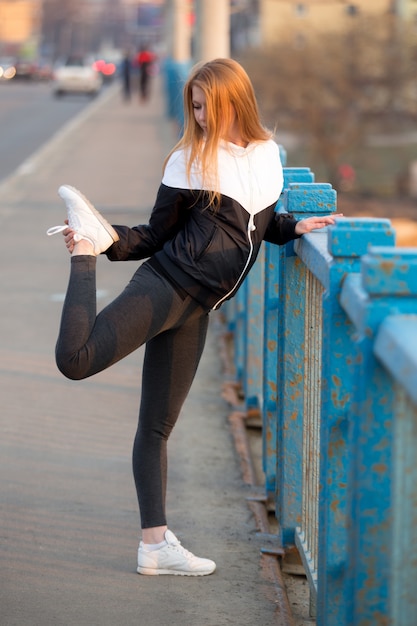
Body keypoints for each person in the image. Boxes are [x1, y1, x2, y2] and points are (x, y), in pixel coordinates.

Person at [47, 58, 341, 577]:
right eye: (195, 107)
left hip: (198, 307)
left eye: (206, 106)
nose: (199, 117)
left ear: (235, 103)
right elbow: (155, 236)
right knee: (76, 358)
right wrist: (101, 242)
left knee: (157, 426)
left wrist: (293, 228)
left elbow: (256, 221)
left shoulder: (266, 156)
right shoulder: (188, 160)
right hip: (165, 286)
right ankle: (83, 250)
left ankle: (154, 546)